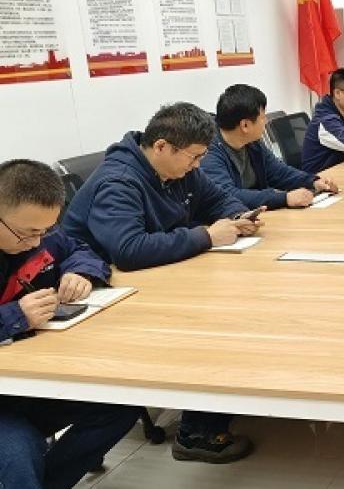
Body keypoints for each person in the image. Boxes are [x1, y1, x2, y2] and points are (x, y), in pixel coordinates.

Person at [62, 102, 258, 464]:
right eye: (194, 157)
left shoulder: (179, 168)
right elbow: (128, 250)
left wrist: (238, 216)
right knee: (211, 319)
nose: (197, 165)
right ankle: (196, 432)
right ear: (162, 146)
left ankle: (224, 402)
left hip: (155, 274)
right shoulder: (119, 181)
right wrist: (206, 236)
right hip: (98, 288)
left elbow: (218, 197)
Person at [0, 159, 141, 489]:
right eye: (26, 233)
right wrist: (15, 316)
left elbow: (79, 249)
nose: (37, 242)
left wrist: (81, 272)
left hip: (27, 383)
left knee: (119, 403)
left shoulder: (38, 235)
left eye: (45, 230)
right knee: (17, 452)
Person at [201, 84, 337, 210]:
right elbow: (227, 195)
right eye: (262, 117)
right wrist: (284, 198)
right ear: (245, 125)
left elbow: (278, 172)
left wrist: (313, 181)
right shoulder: (207, 151)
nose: (265, 121)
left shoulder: (252, 143)